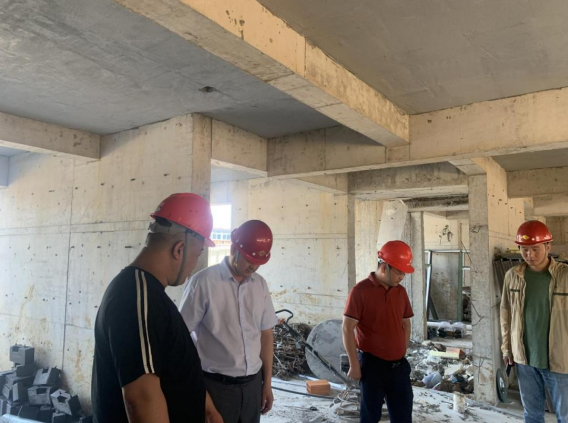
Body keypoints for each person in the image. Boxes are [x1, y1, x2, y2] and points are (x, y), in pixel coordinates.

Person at [92, 193, 221, 423]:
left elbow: (173, 368)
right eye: (198, 254)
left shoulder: (147, 294)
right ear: (179, 249)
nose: (194, 265)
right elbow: (141, 399)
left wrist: (208, 410)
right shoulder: (136, 298)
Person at [179, 220, 278, 423]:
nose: (254, 266)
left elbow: (266, 335)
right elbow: (181, 337)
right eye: (249, 259)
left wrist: (267, 384)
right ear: (234, 249)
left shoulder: (260, 285)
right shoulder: (203, 283)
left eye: (259, 261)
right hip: (215, 387)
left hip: (253, 386)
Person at [501, 220, 568, 423]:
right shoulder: (512, 276)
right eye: (524, 249)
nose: (529, 254)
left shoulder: (565, 275)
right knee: (532, 415)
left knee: (565, 416)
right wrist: (507, 348)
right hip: (525, 359)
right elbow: (505, 315)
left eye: (535, 249)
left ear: (548, 247)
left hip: (560, 360)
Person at [342, 240, 415, 423]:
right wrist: (354, 364)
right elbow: (347, 328)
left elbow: (406, 324)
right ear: (384, 267)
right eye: (399, 272)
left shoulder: (401, 292)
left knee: (403, 416)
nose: (402, 277)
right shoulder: (360, 291)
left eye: (404, 273)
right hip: (373, 366)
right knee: (370, 416)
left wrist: (401, 350)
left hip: (399, 367)